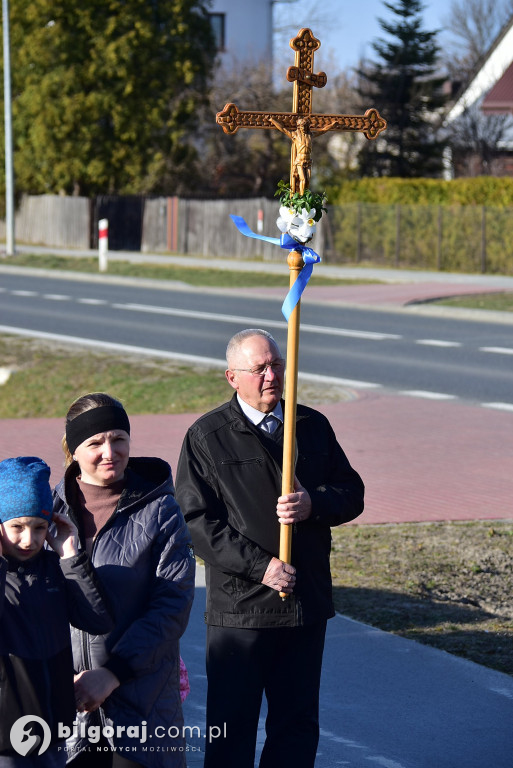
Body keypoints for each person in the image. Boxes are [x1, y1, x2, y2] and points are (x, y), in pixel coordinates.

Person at [175, 328, 365, 768]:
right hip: (241, 611)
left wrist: (314, 502)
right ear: (232, 377)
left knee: (297, 728)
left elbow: (352, 493)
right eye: (258, 368)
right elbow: (196, 523)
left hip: (305, 606)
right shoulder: (208, 436)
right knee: (232, 730)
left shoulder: (310, 426)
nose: (270, 375)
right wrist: (261, 567)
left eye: (276, 365)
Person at [52, 393, 194, 768]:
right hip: (67, 710)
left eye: (118, 438)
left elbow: (171, 608)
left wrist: (111, 675)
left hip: (141, 703)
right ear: (73, 451)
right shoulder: (48, 514)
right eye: (95, 443)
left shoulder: (161, 510)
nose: (109, 451)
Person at [0, 456, 112, 768]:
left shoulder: (55, 569)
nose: (29, 539)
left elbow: (98, 620)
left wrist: (71, 556)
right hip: (5, 736)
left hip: (54, 728)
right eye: (17, 527)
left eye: (39, 527)